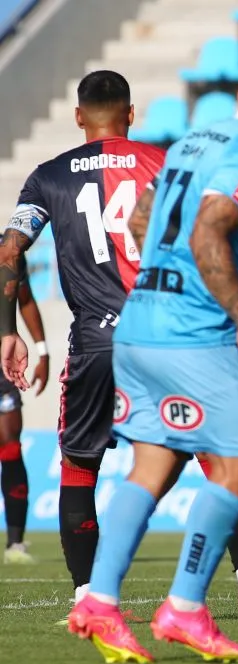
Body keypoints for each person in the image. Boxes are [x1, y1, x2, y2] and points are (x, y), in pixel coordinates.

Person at [65, 47, 238, 664]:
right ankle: (185, 608)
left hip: (139, 323)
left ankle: (97, 601)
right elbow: (207, 231)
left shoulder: (195, 137)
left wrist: (161, 282)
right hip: (192, 334)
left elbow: (143, 221)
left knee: (152, 466)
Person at [0, 71, 165, 597]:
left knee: (79, 464)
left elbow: (9, 250)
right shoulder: (162, 163)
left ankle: (86, 597)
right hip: (166, 335)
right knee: (216, 455)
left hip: (95, 340)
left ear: (77, 116)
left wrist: (10, 333)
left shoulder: (50, 175)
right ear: (131, 114)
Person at [1, 255, 49, 564]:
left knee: (9, 444)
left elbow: (26, 298)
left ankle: (15, 543)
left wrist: (43, 351)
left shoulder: (9, 251)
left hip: (3, 363)